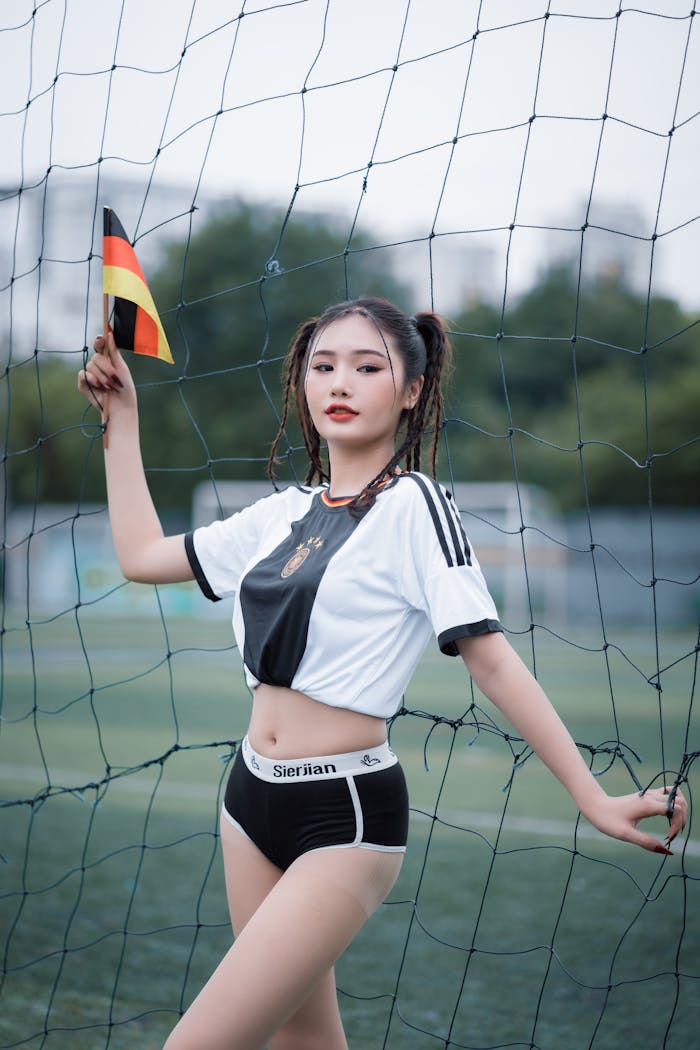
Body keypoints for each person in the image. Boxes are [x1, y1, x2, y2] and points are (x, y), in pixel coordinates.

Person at [78, 296, 686, 1050]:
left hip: (346, 813)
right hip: (247, 802)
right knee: (301, 1041)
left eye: (368, 367)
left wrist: (591, 797)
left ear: (411, 390)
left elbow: (491, 659)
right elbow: (141, 556)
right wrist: (121, 415)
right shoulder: (278, 516)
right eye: (324, 365)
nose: (341, 381)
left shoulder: (415, 506)